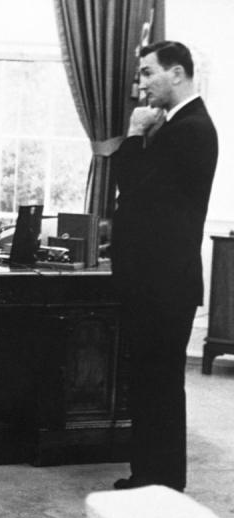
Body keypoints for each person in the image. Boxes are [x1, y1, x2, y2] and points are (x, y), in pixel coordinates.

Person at [110, 40, 217, 492]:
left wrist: (134, 134)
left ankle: (161, 481)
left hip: (162, 285)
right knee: (155, 384)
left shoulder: (188, 129)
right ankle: (153, 477)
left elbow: (134, 191)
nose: (143, 84)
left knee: (159, 386)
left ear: (177, 73)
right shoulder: (179, 126)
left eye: (149, 73)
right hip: (160, 283)